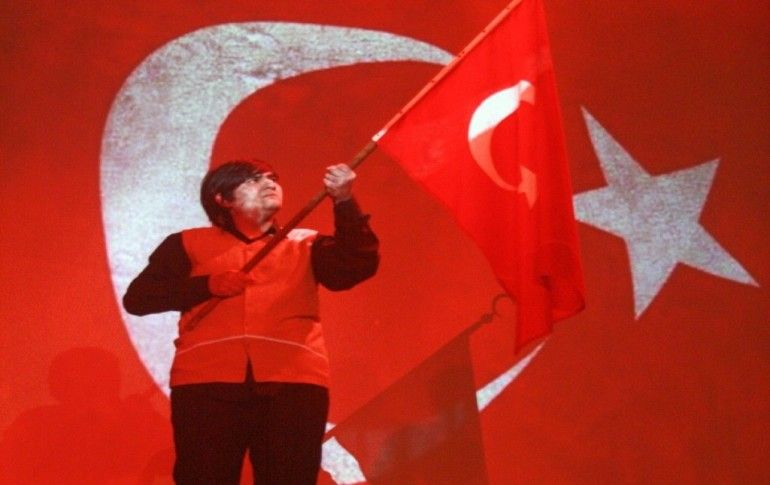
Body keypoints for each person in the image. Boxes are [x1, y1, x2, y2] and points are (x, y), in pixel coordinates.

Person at [123, 159, 379, 484]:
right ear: (222, 199)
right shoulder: (187, 243)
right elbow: (139, 298)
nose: (270, 183)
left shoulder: (305, 243)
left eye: (273, 178)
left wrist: (344, 201)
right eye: (254, 179)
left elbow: (356, 266)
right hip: (206, 384)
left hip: (292, 384)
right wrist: (207, 285)